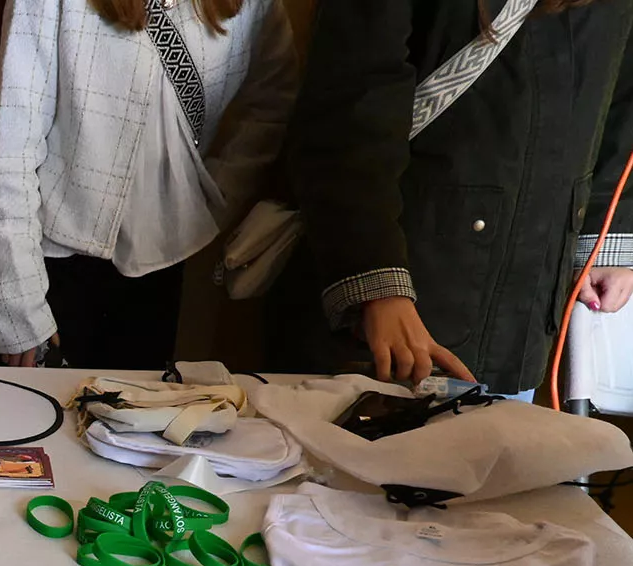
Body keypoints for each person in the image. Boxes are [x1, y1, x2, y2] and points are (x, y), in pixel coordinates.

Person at [0, 0, 299, 566]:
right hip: (47, 253)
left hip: (157, 259)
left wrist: (209, 192)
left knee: (120, 459)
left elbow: (278, 93)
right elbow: (8, 145)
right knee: (33, 467)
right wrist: (18, 307)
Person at [270, 0, 633, 393]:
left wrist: (606, 236)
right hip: (394, 289)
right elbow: (350, 107)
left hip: (527, 309)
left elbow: (620, 94)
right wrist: (377, 285)